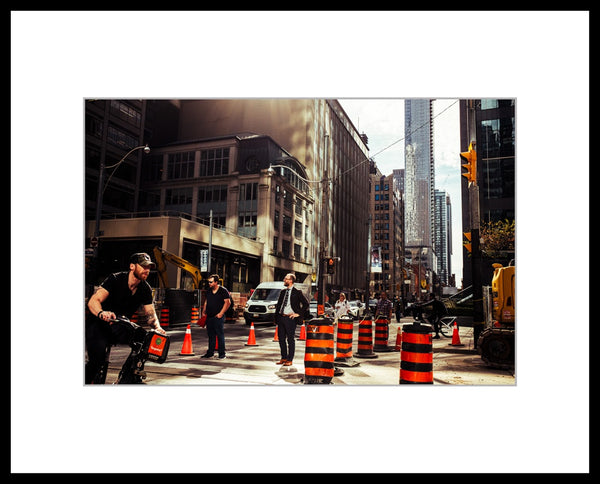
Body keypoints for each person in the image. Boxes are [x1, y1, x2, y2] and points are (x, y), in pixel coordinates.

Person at [85, 252, 166, 384]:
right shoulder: (115, 279)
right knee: (97, 361)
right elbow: (93, 301)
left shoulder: (145, 288)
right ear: (132, 266)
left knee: (143, 338)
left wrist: (157, 327)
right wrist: (102, 313)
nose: (147, 270)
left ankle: (128, 377)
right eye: (144, 266)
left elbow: (151, 314)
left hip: (119, 325)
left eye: (149, 267)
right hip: (98, 324)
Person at [274, 273, 309, 366]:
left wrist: (298, 314)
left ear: (291, 281)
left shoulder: (297, 292)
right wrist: (276, 318)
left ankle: (290, 359)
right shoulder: (282, 292)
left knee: (290, 339)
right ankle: (284, 357)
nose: (284, 280)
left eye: (286, 279)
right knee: (281, 339)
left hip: (290, 319)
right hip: (281, 317)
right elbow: (279, 306)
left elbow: (306, 304)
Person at [201, 274, 231, 359]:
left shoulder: (223, 290)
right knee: (211, 335)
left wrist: (221, 313)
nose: (209, 284)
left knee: (220, 335)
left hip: (218, 317)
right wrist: (204, 311)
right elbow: (207, 301)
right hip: (209, 316)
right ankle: (210, 353)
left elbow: (227, 302)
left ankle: (222, 354)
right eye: (209, 282)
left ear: (216, 282)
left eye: (211, 282)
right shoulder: (209, 291)